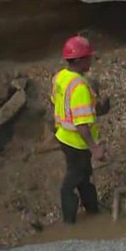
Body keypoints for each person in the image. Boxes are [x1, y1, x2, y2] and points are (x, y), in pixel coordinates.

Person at [50, 36, 111, 224]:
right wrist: (94, 148)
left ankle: (93, 210)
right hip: (77, 142)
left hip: (64, 136)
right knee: (74, 179)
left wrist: (98, 108)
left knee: (84, 176)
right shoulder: (80, 87)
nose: (91, 61)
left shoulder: (60, 77)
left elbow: (57, 102)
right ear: (78, 60)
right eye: (87, 58)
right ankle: (69, 223)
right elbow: (81, 124)